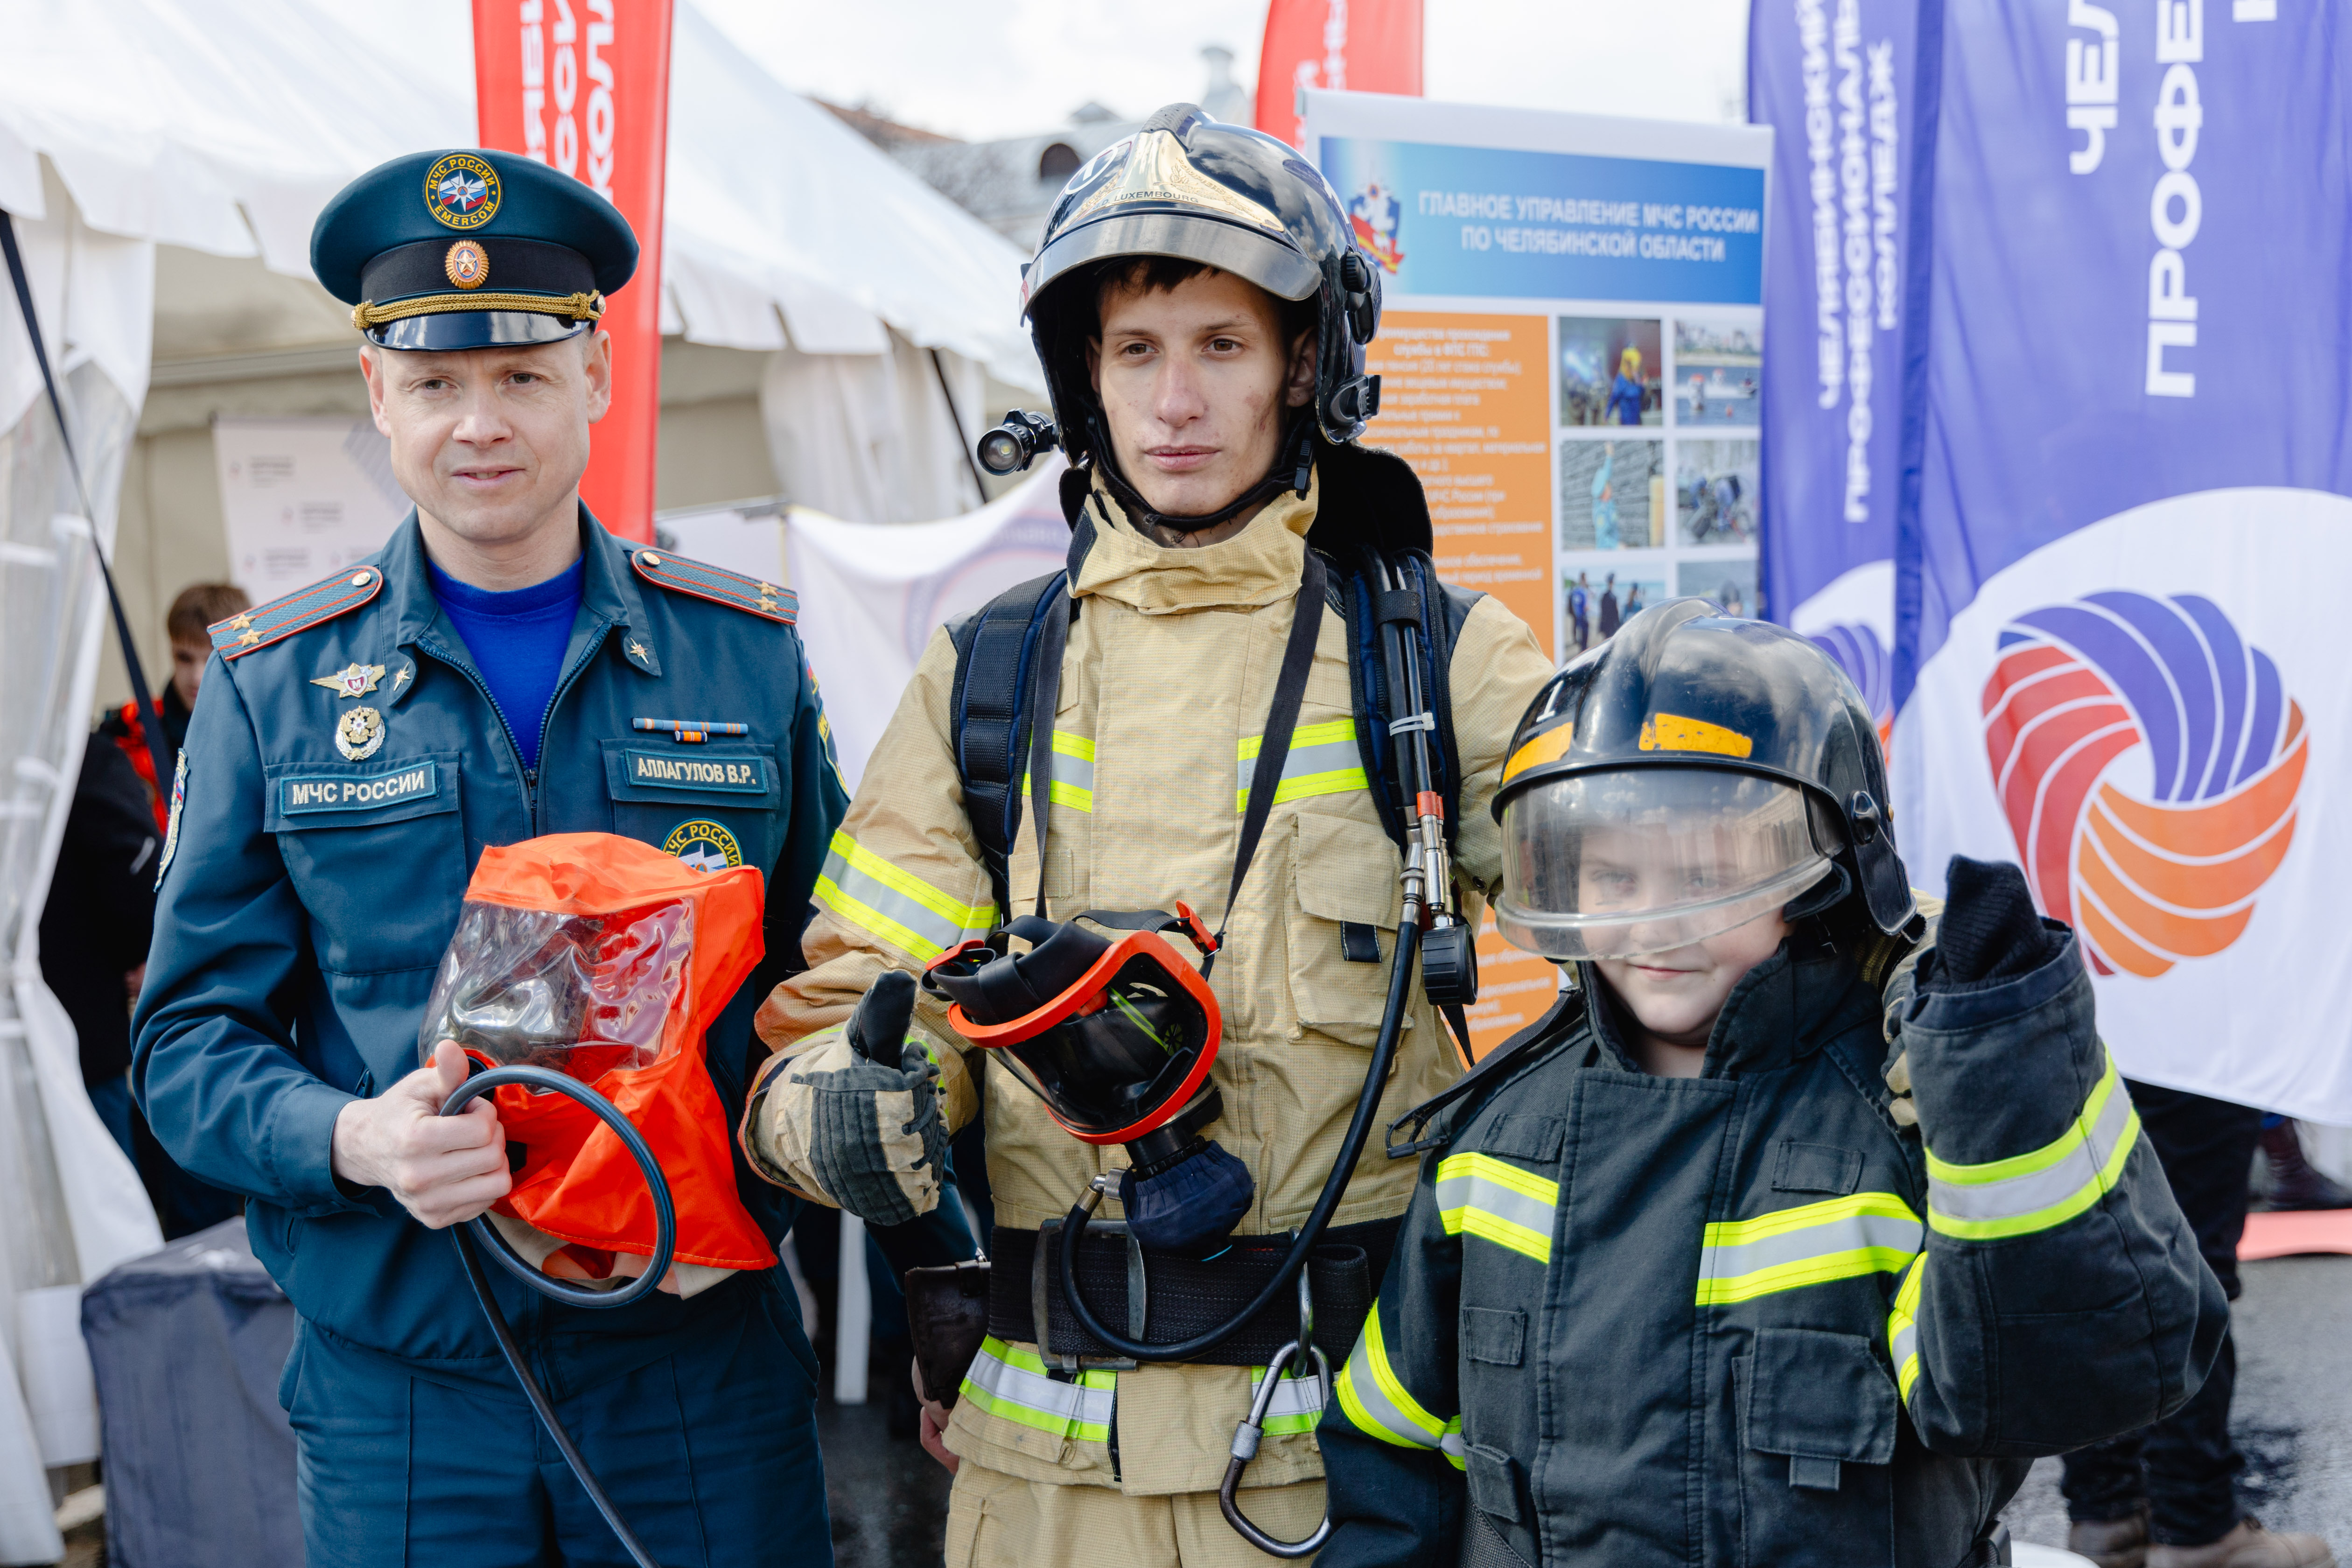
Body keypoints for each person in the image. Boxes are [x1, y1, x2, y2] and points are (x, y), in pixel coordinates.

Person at [738, 105, 1555, 1566]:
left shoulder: (1438, 664)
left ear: (1304, 365)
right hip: (1042, 1487)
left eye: (1222, 346)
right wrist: (844, 1111)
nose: (1176, 398)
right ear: (1085, 379)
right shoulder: (985, 675)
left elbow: (1656, 938)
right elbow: (846, 1001)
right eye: (1136, 351)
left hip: (1345, 1462)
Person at [132, 149, 956, 1566]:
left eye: (521, 373)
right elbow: (185, 1045)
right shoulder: (272, 688)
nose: (480, 422)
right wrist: (355, 1136)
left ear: (598, 379)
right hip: (407, 1385)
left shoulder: (744, 658)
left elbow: (849, 995)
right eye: (438, 382)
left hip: (692, 1368)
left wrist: (942, 1296)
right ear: (377, 398)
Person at [1315, 599, 2228, 1568]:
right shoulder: (1497, 1146)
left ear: (1826, 871)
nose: (1657, 922)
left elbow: (2072, 1378)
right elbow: (1393, 1451)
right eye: (1614, 879)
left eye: (1706, 875)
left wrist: (2007, 1068)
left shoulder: (1902, 1120)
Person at [2063, 1087, 2334, 1568]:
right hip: (2186, 1038)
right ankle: (2196, 1526)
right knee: (2189, 1254)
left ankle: (2107, 1512)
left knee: (2085, 1250)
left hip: (2070, 1027)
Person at [101, 582, 250, 832]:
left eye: (214, 659)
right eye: (184, 658)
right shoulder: (128, 731)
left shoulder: (264, 737)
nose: (197, 677)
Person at [1591, 443, 1621, 550]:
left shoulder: (1608, 503)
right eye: (1608, 485)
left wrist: (1609, 456)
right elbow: (1602, 539)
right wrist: (1617, 546)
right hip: (1606, 553)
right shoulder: (1601, 512)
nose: (1611, 486)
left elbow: (1607, 474)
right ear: (1604, 492)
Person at [1606, 345, 1645, 425]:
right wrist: (1607, 415)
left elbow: (1643, 395)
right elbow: (1613, 398)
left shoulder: (1636, 380)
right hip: (1626, 422)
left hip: (1636, 421)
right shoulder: (1621, 380)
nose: (1635, 370)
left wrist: (1639, 382)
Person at [1568, 572, 1590, 654]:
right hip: (1583, 616)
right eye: (1586, 579)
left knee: (1581, 636)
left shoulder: (1576, 591)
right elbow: (1586, 607)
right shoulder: (1583, 592)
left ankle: (1582, 651)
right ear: (1583, 580)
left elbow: (1575, 605)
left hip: (1579, 616)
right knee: (1585, 637)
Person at [1597, 572, 1621, 640]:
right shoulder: (1613, 597)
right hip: (1611, 624)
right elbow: (1616, 612)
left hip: (1607, 624)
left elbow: (1602, 612)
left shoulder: (1604, 596)